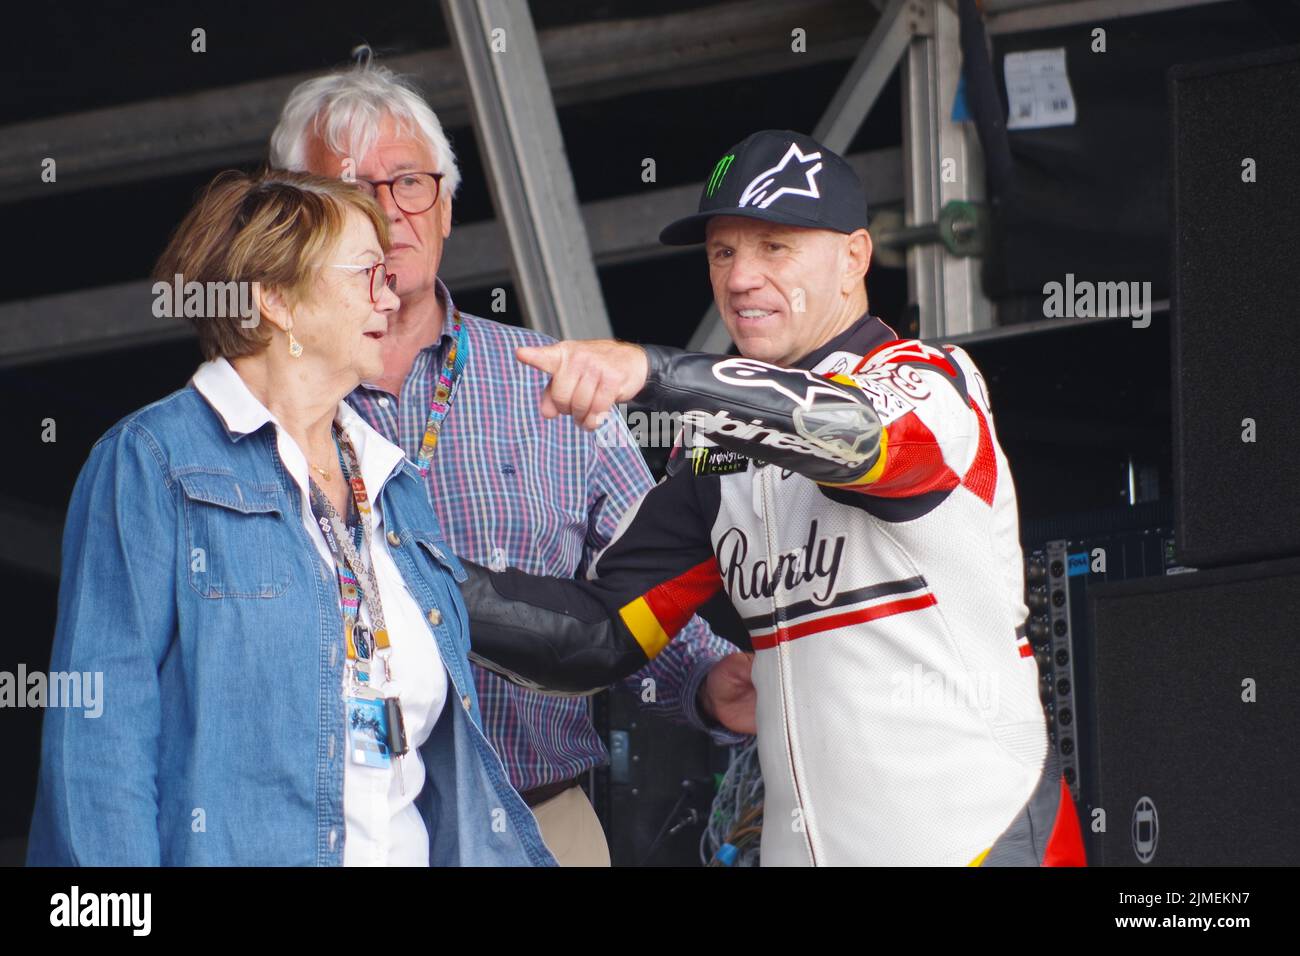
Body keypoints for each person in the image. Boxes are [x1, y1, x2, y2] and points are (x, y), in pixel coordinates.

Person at [462, 130, 1088, 867]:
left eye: (774, 247)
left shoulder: (927, 381)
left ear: (855, 257)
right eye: (723, 252)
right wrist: (414, 574)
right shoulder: (715, 456)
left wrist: (651, 371)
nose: (740, 278)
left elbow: (846, 437)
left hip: (981, 840)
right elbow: (598, 635)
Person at [269, 57, 755, 865]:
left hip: (542, 826)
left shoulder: (552, 378)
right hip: (333, 838)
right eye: (352, 188)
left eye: (410, 183)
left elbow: (636, 582)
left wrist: (710, 682)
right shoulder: (261, 406)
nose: (389, 213)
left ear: (447, 206)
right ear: (298, 221)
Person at [26, 169, 554, 867]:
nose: (391, 295)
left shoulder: (392, 480)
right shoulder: (152, 462)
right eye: (367, 273)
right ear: (275, 300)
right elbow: (97, 746)